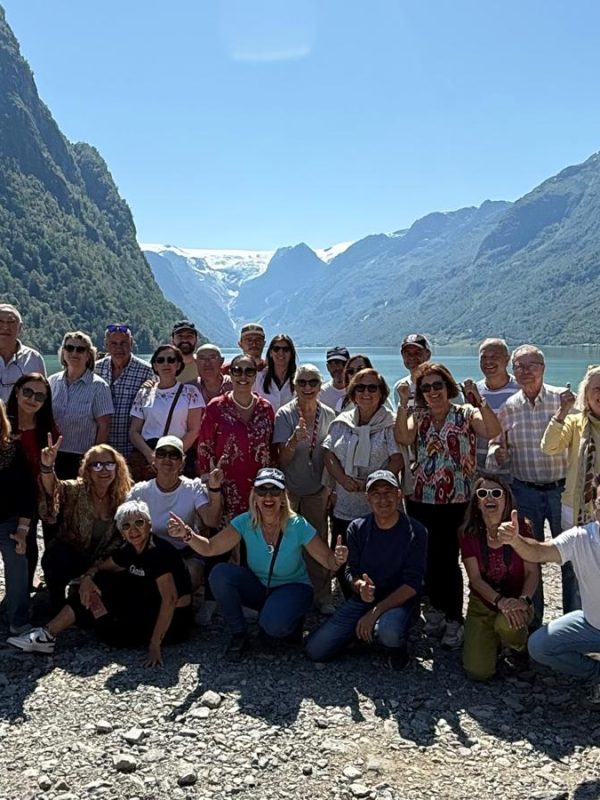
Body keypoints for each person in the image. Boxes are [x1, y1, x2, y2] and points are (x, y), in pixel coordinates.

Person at [167, 468, 348, 661]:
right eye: (262, 490)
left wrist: (337, 559)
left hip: (293, 587)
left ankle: (288, 619)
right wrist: (187, 534)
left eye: (274, 491)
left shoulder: (298, 525)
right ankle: (239, 634)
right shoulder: (244, 521)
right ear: (254, 495)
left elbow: (327, 561)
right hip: (260, 586)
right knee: (220, 574)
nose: (268, 496)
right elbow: (210, 548)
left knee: (273, 626)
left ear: (282, 497)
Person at [8, 500, 193, 666]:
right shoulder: (130, 549)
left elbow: (170, 599)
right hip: (146, 605)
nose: (133, 530)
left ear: (149, 525)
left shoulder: (158, 552)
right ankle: (48, 634)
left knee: (112, 634)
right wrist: (88, 578)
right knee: (101, 581)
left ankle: (56, 632)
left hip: (175, 622)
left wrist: (154, 645)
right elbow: (102, 567)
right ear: (122, 532)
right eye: (127, 526)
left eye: (139, 523)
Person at [395, 362, 502, 648]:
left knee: (450, 559)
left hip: (457, 500)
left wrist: (478, 400)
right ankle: (436, 612)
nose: (432, 392)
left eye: (437, 386)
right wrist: (403, 403)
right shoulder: (418, 417)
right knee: (428, 557)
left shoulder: (466, 414)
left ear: (448, 388)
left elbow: (492, 430)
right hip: (421, 498)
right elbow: (403, 437)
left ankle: (455, 617)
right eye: (426, 388)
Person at [487, 344, 575, 623]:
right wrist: (497, 454)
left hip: (562, 491)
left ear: (543, 368)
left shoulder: (564, 402)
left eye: (531, 365)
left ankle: (573, 623)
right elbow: (497, 448)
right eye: (519, 367)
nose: (525, 372)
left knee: (569, 556)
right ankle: (533, 624)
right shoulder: (508, 408)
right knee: (530, 560)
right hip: (524, 491)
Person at [305, 470, 427, 669]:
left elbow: (413, 584)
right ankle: (361, 632)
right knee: (316, 650)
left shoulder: (416, 531)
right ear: (368, 498)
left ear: (398, 495)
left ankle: (395, 647)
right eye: (376, 493)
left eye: (388, 492)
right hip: (363, 600)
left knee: (389, 632)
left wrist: (376, 611)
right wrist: (360, 586)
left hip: (400, 602)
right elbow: (350, 571)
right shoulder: (357, 528)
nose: (383, 499)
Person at [496, 476, 600, 706]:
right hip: (592, 625)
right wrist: (515, 540)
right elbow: (541, 552)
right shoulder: (582, 537)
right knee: (539, 646)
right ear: (595, 506)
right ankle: (596, 674)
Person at [38, 437, 132, 613]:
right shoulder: (76, 489)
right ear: (87, 470)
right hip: (72, 554)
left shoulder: (124, 497)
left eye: (109, 464)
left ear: (117, 468)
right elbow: (53, 490)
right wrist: (47, 467)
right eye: (96, 465)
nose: (103, 470)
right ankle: (58, 604)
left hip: (102, 559)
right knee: (55, 556)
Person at [460, 476, 538, 681]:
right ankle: (491, 641)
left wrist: (523, 601)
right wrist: (499, 602)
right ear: (476, 502)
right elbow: (475, 579)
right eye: (482, 494)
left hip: (517, 600)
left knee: (506, 623)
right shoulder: (468, 533)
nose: (489, 498)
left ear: (506, 499)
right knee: (478, 672)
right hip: (484, 603)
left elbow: (532, 572)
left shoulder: (523, 527)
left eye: (496, 493)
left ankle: (519, 646)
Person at [274, 364, 336, 614]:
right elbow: (281, 460)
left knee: (318, 543)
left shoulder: (330, 415)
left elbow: (332, 456)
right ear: (294, 387)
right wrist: (293, 441)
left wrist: (330, 489)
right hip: (289, 491)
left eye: (313, 383)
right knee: (286, 542)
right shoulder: (284, 415)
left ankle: (322, 596)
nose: (308, 387)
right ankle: (285, 592)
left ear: (320, 386)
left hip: (317, 490)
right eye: (302, 383)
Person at [323, 368, 403, 563]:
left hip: (379, 504)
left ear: (382, 393)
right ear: (352, 393)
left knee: (379, 559)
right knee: (345, 558)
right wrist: (342, 479)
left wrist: (371, 484)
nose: (366, 393)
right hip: (345, 502)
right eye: (360, 388)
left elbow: (397, 460)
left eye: (372, 388)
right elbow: (328, 452)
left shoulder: (389, 424)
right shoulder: (342, 422)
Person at [128, 435, 223, 593]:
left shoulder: (193, 488)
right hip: (151, 553)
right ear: (154, 461)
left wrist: (214, 489)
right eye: (161, 454)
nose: (167, 459)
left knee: (190, 576)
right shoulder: (140, 491)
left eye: (174, 455)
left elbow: (211, 521)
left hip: (185, 553)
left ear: (182, 463)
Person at [196, 354, 275, 523]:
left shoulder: (266, 409)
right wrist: (208, 482)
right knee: (228, 540)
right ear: (230, 374)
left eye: (249, 371)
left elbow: (272, 448)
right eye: (237, 371)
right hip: (225, 486)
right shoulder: (216, 407)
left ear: (255, 375)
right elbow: (204, 446)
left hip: (260, 488)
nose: (243, 376)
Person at [6, 372, 59, 587]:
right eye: (28, 392)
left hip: (34, 496)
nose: (32, 399)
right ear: (17, 391)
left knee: (30, 544)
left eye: (39, 396)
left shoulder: (48, 430)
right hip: (6, 494)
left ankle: (26, 587)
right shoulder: (4, 423)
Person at [129, 344, 204, 478]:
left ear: (179, 365)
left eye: (171, 360)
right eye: (160, 360)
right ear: (155, 365)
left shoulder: (191, 393)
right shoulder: (144, 392)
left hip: (177, 454)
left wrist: (175, 456)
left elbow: (194, 430)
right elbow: (134, 431)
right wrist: (150, 455)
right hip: (149, 456)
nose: (166, 364)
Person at [541, 365, 600, 529]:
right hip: (575, 507)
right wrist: (562, 412)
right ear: (586, 394)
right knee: (576, 554)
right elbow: (549, 447)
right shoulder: (575, 423)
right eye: (597, 389)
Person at [48, 331, 114, 478]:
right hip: (52, 455)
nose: (74, 353)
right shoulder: (51, 382)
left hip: (82, 458)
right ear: (63, 353)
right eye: (70, 348)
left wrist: (94, 460)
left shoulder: (99, 386)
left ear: (88, 355)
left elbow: (104, 426)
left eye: (80, 349)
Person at [0, 401, 36, 635]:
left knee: (17, 564)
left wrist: (23, 528)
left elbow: (27, 491)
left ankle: (17, 619)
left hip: (9, 519)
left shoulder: (12, 450)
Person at [95, 324, 153, 457]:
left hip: (131, 450)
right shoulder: (96, 369)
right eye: (113, 343)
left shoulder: (147, 371)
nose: (118, 348)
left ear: (131, 343)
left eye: (123, 343)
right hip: (101, 446)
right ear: (106, 345)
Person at [475, 338, 519, 474]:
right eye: (484, 357)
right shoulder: (474, 392)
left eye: (494, 357)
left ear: (507, 359)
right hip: (480, 473)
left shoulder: (520, 389)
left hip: (515, 475)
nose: (488, 361)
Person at [0, 303, 46, 403]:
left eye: (11, 322)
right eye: (0, 321)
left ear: (20, 328)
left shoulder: (34, 359)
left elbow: (42, 396)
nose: (5, 327)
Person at [254, 334, 297, 411]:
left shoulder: (299, 379)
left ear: (291, 354)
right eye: (276, 349)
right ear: (270, 353)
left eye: (286, 349)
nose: (281, 352)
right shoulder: (258, 378)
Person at [392, 334, 431, 409]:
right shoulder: (400, 387)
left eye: (418, 352)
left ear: (428, 355)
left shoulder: (441, 384)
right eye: (407, 353)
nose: (412, 357)